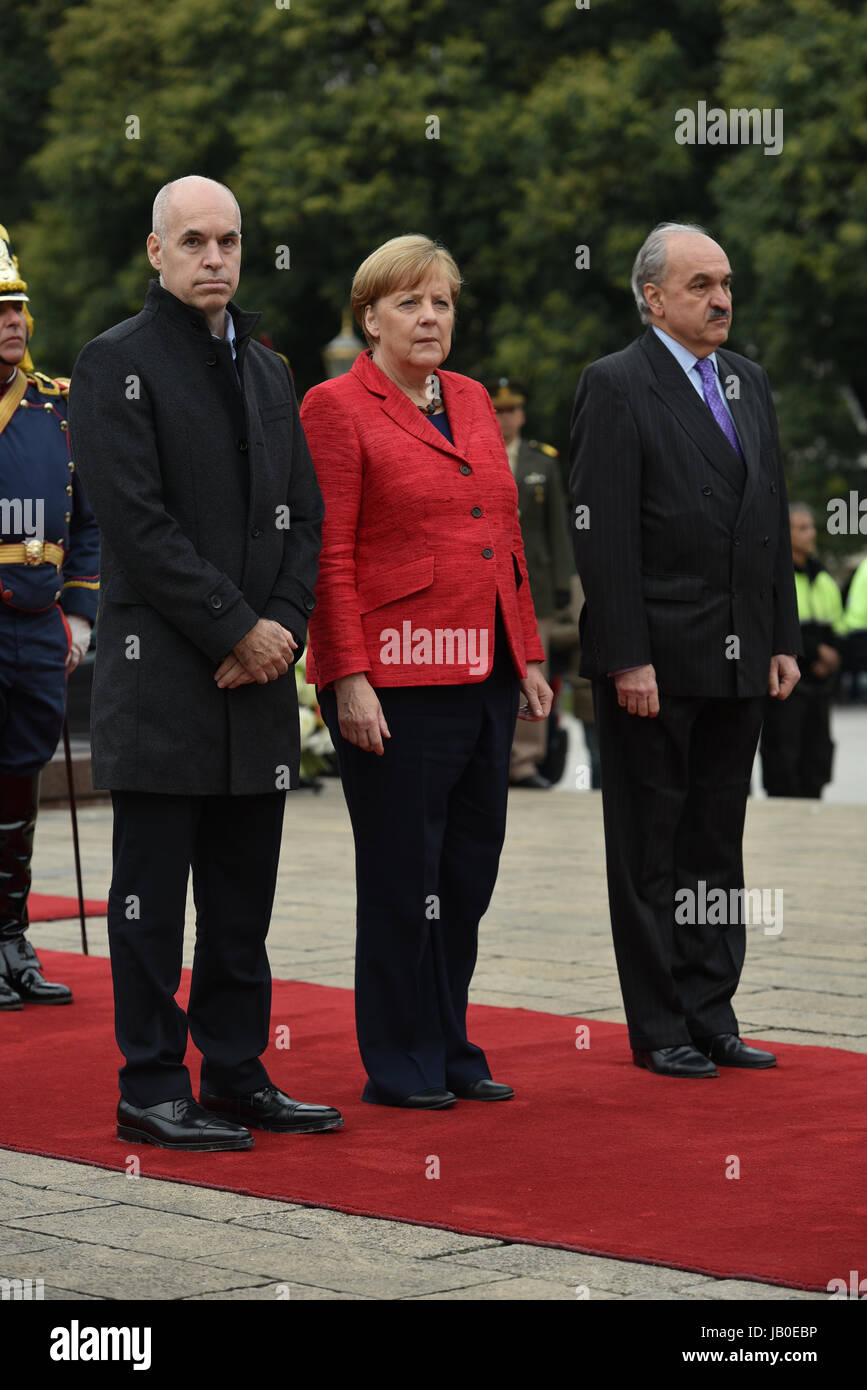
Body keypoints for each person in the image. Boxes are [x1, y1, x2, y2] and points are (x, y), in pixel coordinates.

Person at [69, 176, 342, 1149]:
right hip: (165, 678)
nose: (215, 257)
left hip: (257, 685)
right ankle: (150, 1082)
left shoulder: (269, 370)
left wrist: (279, 626)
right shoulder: (114, 364)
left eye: (228, 240)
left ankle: (234, 1070)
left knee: (242, 900)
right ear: (156, 252)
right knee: (150, 899)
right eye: (193, 241)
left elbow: (306, 517)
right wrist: (239, 629)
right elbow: (136, 527)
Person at [300, 234, 552, 1109]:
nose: (429, 316)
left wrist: (527, 654)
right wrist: (345, 675)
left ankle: (449, 1043)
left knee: (468, 872)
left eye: (440, 301)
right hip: (395, 678)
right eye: (409, 302)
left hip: (481, 668)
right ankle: (398, 1060)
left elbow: (505, 538)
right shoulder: (335, 406)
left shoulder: (476, 399)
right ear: (369, 319)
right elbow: (329, 552)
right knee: (406, 876)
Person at [570, 221, 801, 1079]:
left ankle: (712, 1010)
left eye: (726, 283)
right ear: (652, 296)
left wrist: (781, 635)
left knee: (715, 841)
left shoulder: (748, 383)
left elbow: (768, 518)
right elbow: (604, 536)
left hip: (740, 658)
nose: (721, 299)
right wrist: (626, 656)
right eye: (701, 284)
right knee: (649, 849)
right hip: (655, 664)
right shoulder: (615, 385)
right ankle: (660, 1022)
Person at [0, 224, 99, 1012]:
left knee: (21, 776)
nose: (13, 320)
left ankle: (11, 938)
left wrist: (80, 616)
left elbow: (89, 522)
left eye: (19, 306)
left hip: (37, 623)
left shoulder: (57, 407)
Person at [488, 378, 574, 789]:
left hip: (532, 583)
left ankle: (523, 762)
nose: (504, 418)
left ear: (522, 415)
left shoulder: (544, 462)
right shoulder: (475, 449)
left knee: (532, 669)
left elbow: (558, 525)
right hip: (483, 581)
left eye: (511, 410)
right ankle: (489, 758)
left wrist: (562, 582)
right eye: (497, 409)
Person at [761, 503, 846, 797]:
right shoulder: (772, 575)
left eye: (812, 527)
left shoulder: (823, 579)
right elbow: (772, 623)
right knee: (783, 757)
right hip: (786, 686)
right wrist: (815, 650)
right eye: (802, 527)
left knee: (817, 756)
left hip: (819, 686)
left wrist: (832, 656)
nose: (811, 534)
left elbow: (838, 626)